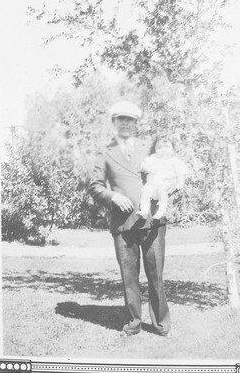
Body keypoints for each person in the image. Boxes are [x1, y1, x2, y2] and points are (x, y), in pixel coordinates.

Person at [89, 101, 171, 337]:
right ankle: (133, 322)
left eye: (129, 120)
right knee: (129, 276)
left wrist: (169, 188)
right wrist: (113, 196)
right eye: (120, 119)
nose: (125, 123)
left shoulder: (149, 148)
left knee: (156, 274)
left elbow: (167, 170)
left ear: (136, 123)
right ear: (114, 123)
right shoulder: (104, 153)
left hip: (152, 221)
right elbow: (95, 186)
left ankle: (161, 325)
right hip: (123, 224)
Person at [137, 136, 189, 220]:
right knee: (145, 191)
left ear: (173, 150)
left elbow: (181, 174)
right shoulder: (153, 158)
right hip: (151, 184)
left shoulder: (174, 162)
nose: (163, 150)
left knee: (162, 190)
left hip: (165, 184)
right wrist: (147, 168)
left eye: (166, 147)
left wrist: (179, 183)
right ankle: (144, 211)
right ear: (155, 150)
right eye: (159, 148)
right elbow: (143, 165)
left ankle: (161, 210)